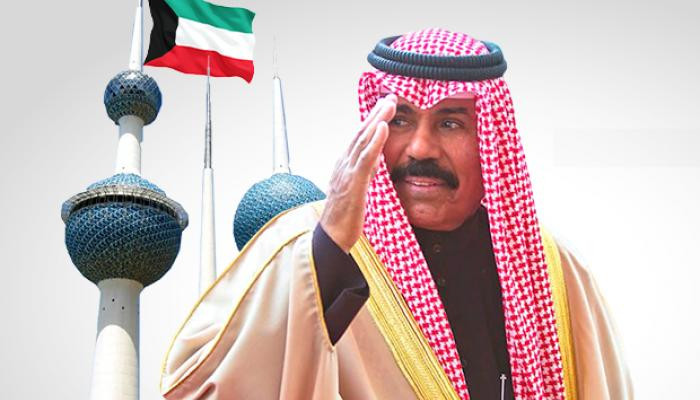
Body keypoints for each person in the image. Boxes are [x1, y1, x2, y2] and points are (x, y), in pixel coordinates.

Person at [159, 29, 632, 400]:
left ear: (490, 141)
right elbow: (201, 388)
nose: (420, 148)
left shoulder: (553, 271)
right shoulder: (303, 245)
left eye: (451, 122)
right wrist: (327, 251)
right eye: (400, 120)